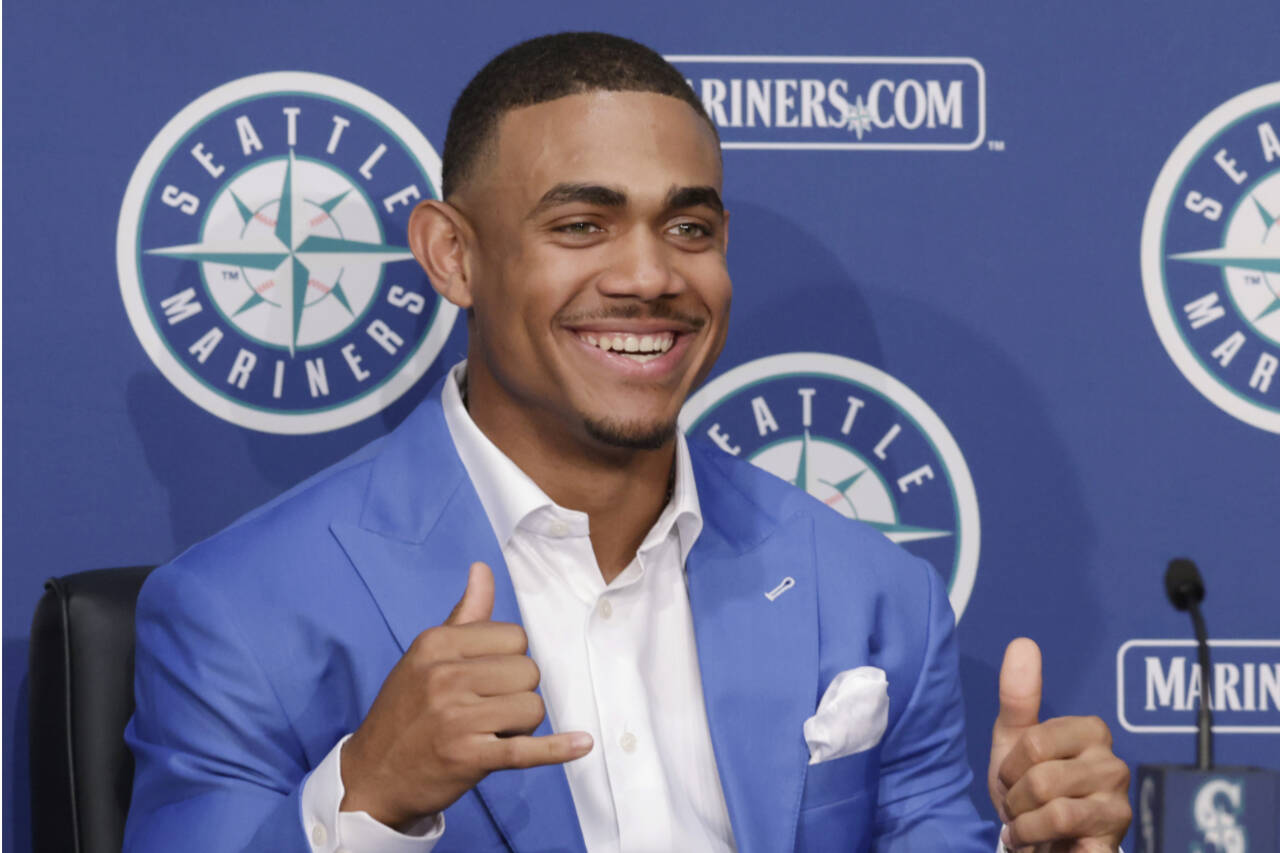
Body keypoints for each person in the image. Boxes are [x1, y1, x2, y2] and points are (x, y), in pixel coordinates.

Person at [123, 32, 1131, 852]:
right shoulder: (238, 609)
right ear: (452, 255)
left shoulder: (869, 592)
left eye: (688, 229)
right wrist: (367, 797)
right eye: (581, 226)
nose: (649, 276)